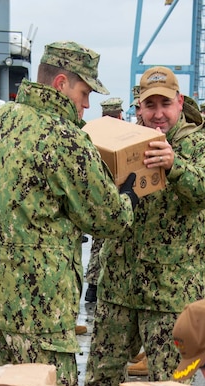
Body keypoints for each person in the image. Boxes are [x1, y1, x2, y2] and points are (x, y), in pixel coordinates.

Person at [0, 41, 136, 386]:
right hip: (42, 309)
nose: (87, 104)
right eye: (84, 91)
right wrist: (128, 195)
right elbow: (109, 218)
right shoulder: (62, 138)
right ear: (61, 83)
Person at [84, 66, 205, 386]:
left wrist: (174, 165)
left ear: (180, 102)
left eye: (165, 104)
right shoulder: (123, 144)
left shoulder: (199, 146)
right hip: (119, 289)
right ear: (139, 109)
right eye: (150, 106)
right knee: (99, 382)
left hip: (171, 297)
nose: (158, 114)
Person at [84, 96, 125, 304]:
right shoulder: (126, 134)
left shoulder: (91, 132)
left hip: (97, 196)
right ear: (119, 114)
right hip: (118, 197)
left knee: (97, 243)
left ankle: (91, 287)